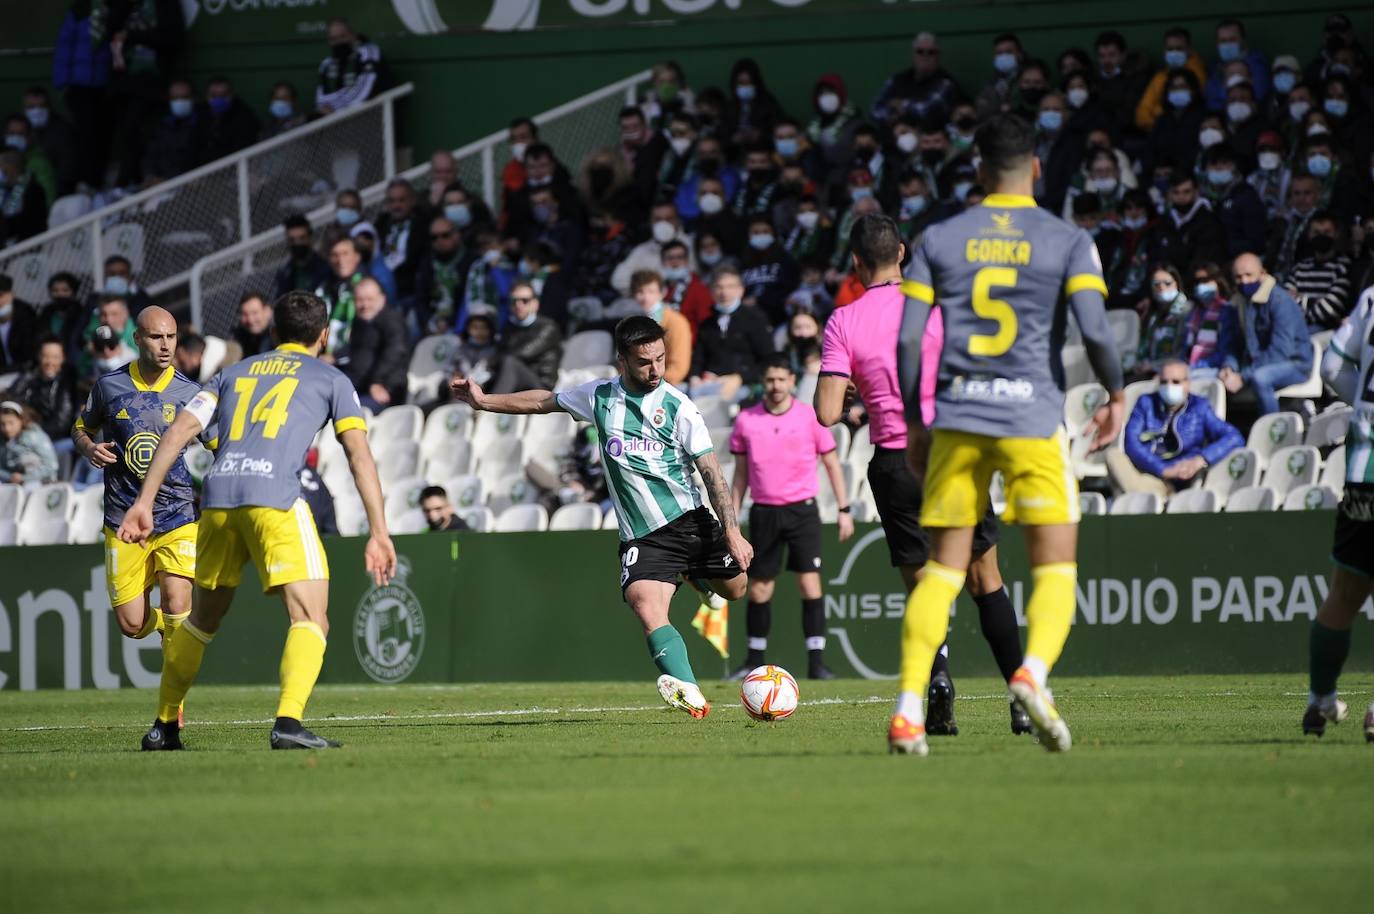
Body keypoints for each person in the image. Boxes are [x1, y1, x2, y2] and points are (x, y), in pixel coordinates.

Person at [890, 115, 1126, 756]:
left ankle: (909, 710)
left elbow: (909, 339)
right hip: (1032, 421)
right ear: (1037, 169)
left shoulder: (939, 237)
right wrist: (1118, 395)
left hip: (961, 419)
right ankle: (1031, 675)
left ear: (977, 170)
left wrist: (915, 420)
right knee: (1056, 567)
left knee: (942, 569)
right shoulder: (1068, 239)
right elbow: (1098, 334)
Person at [118, 290, 396, 751]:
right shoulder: (331, 378)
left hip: (220, 497)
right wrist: (379, 532)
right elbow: (359, 456)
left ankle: (165, 725)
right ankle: (288, 722)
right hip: (276, 498)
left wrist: (144, 501)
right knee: (310, 616)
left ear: (272, 332)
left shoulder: (230, 373)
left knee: (200, 622)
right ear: (323, 336)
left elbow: (178, 433)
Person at [451, 315, 751, 718]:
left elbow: (712, 472)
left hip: (691, 521)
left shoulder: (679, 407)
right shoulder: (600, 397)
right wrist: (483, 400)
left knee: (736, 589)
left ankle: (698, 576)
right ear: (622, 361)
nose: (656, 370)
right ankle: (690, 692)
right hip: (643, 536)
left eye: (661, 358)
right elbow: (544, 402)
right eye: (645, 361)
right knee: (645, 605)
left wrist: (731, 532)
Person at [817, 211, 1030, 740]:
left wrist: (855, 388)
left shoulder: (843, 321)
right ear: (904, 253)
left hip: (893, 461)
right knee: (986, 581)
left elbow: (823, 413)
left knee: (924, 590)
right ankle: (1023, 697)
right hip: (950, 453)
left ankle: (938, 683)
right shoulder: (936, 306)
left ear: (855, 263)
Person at [71, 307, 203, 716]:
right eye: (155, 338)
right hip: (123, 517)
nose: (165, 346)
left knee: (179, 600)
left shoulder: (189, 392)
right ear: (137, 339)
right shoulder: (109, 387)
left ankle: (172, 707)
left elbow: (219, 442)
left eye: (171, 337)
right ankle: (164, 627)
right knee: (131, 625)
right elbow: (80, 428)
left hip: (178, 514)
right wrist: (90, 448)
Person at [727, 356, 851, 680]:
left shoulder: (810, 416)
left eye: (782, 379)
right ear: (763, 383)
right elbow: (740, 475)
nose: (776, 386)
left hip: (802, 511)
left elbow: (832, 463)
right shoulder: (746, 420)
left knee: (810, 584)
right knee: (759, 589)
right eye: (770, 380)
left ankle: (816, 662)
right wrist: (731, 520)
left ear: (792, 381)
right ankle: (753, 660)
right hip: (764, 511)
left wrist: (844, 509)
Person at [1306, 284, 1374, 740]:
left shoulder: (1371, 297)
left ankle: (1320, 700)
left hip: (1363, 469)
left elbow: (1332, 363)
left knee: (1345, 592)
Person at [1107, 359, 1244, 497]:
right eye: (1164, 382)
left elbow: (1233, 437)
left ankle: (1152, 496)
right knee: (1112, 455)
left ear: (1188, 384)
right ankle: (1150, 495)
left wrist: (1201, 459)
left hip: (1180, 478)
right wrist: (1163, 470)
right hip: (1147, 472)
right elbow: (1131, 443)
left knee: (1136, 488)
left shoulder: (1199, 407)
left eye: (1176, 382)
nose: (1169, 386)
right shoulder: (1145, 403)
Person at [1219, 253, 1312, 418]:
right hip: (1257, 364)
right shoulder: (1239, 301)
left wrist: (1243, 376)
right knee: (1213, 377)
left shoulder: (1279, 300)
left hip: (1294, 364)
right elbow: (1234, 343)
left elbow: (1281, 351)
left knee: (1260, 378)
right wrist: (1229, 367)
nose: (1244, 281)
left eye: (1249, 275)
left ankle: (1272, 430)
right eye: (1238, 277)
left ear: (1262, 274)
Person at [689, 265, 774, 401]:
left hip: (744, 385)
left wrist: (740, 377)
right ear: (711, 291)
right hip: (709, 384)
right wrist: (695, 377)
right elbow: (698, 359)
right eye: (719, 287)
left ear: (740, 290)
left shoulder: (755, 319)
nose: (724, 292)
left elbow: (768, 359)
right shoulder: (707, 324)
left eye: (730, 287)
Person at [344, 278, 408, 411]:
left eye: (370, 299)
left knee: (348, 411)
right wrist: (333, 356)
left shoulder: (392, 321)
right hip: (357, 384)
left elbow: (395, 352)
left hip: (384, 389)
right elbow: (355, 350)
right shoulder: (360, 321)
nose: (365, 305)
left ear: (382, 299)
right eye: (359, 300)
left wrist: (377, 381)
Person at [871, 32, 961, 127]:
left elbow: (926, 111)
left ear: (938, 56)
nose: (925, 56)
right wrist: (891, 116)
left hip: (929, 139)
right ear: (914, 55)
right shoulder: (896, 80)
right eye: (920, 51)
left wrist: (902, 105)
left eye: (931, 52)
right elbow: (875, 111)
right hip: (893, 137)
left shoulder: (946, 82)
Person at [1285, 212, 1355, 331]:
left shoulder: (1343, 267)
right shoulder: (1300, 267)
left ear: (1336, 234)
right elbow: (1285, 302)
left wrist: (1299, 299)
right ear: (1309, 234)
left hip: (1324, 332)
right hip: (1294, 327)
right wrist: (1313, 302)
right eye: (1316, 232)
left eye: (1327, 232)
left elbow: (1329, 310)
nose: (1321, 236)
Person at [491, 282, 562, 393]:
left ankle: (490, 407)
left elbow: (523, 354)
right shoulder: (508, 326)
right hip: (512, 383)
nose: (519, 305)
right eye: (514, 301)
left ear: (535, 304)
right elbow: (498, 353)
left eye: (525, 300)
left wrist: (492, 362)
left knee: (509, 361)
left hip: (540, 387)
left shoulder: (548, 326)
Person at [1136, 27, 1209, 132]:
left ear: (1189, 50)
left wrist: (1156, 112)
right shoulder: (1160, 77)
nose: (1174, 53)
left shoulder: (1197, 74)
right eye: (1170, 49)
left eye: (1179, 49)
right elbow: (1142, 113)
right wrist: (1159, 125)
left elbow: (1186, 109)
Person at [374, 178, 429, 308]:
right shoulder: (380, 225)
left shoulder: (423, 225)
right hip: (381, 292)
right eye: (392, 201)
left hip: (410, 292)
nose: (396, 205)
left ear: (412, 200)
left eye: (401, 200)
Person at [630, 271, 691, 386]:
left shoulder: (676, 322)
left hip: (668, 385)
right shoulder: (632, 322)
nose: (645, 297)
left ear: (662, 293)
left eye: (651, 292)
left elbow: (678, 367)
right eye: (640, 292)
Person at [14, 336, 77, 447]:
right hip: (26, 435)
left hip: (57, 439)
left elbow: (62, 421)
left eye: (55, 357)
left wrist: (35, 434)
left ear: (63, 358)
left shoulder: (67, 382)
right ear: (39, 357)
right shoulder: (30, 378)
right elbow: (13, 401)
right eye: (45, 356)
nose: (50, 362)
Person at [315, 17, 382, 115]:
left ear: (352, 36)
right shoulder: (327, 64)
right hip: (334, 122)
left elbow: (365, 91)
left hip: (369, 116)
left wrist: (334, 108)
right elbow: (321, 99)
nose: (338, 42)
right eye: (333, 38)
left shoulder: (368, 53)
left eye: (343, 36)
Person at [199, 75, 259, 164]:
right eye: (214, 95)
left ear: (231, 95)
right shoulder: (201, 115)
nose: (218, 99)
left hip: (233, 169)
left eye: (223, 95)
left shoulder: (244, 116)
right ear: (207, 96)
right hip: (203, 170)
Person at [273, 215, 332, 301]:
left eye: (302, 238)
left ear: (310, 238)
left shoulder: (325, 268)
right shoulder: (285, 273)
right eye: (292, 240)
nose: (297, 243)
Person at [0, 401, 58, 486]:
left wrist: (24, 477)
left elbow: (51, 466)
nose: (7, 428)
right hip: (11, 484)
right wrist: (10, 477)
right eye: (2, 424)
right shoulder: (2, 440)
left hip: (38, 483)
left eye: (11, 423)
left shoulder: (35, 436)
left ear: (21, 420)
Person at [0, 149, 47, 245]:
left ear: (11, 168)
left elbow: (30, 223)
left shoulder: (33, 190)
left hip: (28, 246)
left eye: (1, 166)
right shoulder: (5, 190)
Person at [0, 274, 39, 376]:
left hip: (26, 373)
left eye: (1, 295)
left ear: (12, 294)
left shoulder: (26, 316)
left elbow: (31, 356)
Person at [225, 292, 273, 365]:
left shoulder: (279, 336)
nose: (250, 320)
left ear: (268, 311)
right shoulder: (238, 339)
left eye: (255, 313)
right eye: (245, 314)